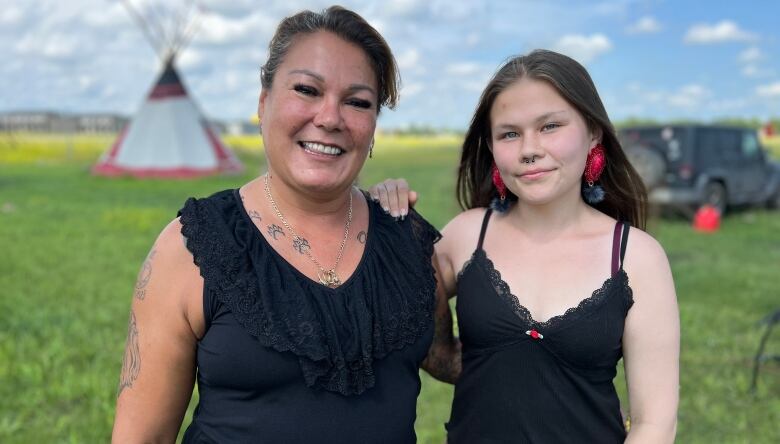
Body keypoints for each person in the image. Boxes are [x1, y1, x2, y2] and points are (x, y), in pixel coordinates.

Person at [111, 6, 459, 443]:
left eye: (357, 101)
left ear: (373, 127)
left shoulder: (405, 238)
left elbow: (452, 359)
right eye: (307, 90)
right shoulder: (192, 247)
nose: (330, 118)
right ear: (263, 102)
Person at [371, 50, 679, 443]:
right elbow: (385, 302)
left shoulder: (637, 257)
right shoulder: (466, 236)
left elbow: (655, 424)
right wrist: (385, 217)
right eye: (510, 133)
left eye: (550, 126)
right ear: (492, 146)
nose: (528, 148)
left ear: (594, 133)